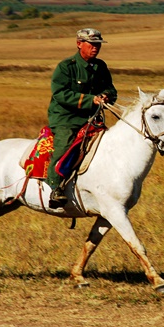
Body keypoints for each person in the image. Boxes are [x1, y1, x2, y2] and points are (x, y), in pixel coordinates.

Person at [46, 28, 117, 208]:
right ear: (79, 44)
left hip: (91, 117)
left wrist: (106, 96)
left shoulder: (100, 66)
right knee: (65, 144)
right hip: (66, 117)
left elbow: (110, 88)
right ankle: (55, 187)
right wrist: (90, 99)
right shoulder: (66, 67)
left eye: (98, 45)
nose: (95, 48)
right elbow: (60, 94)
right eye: (91, 44)